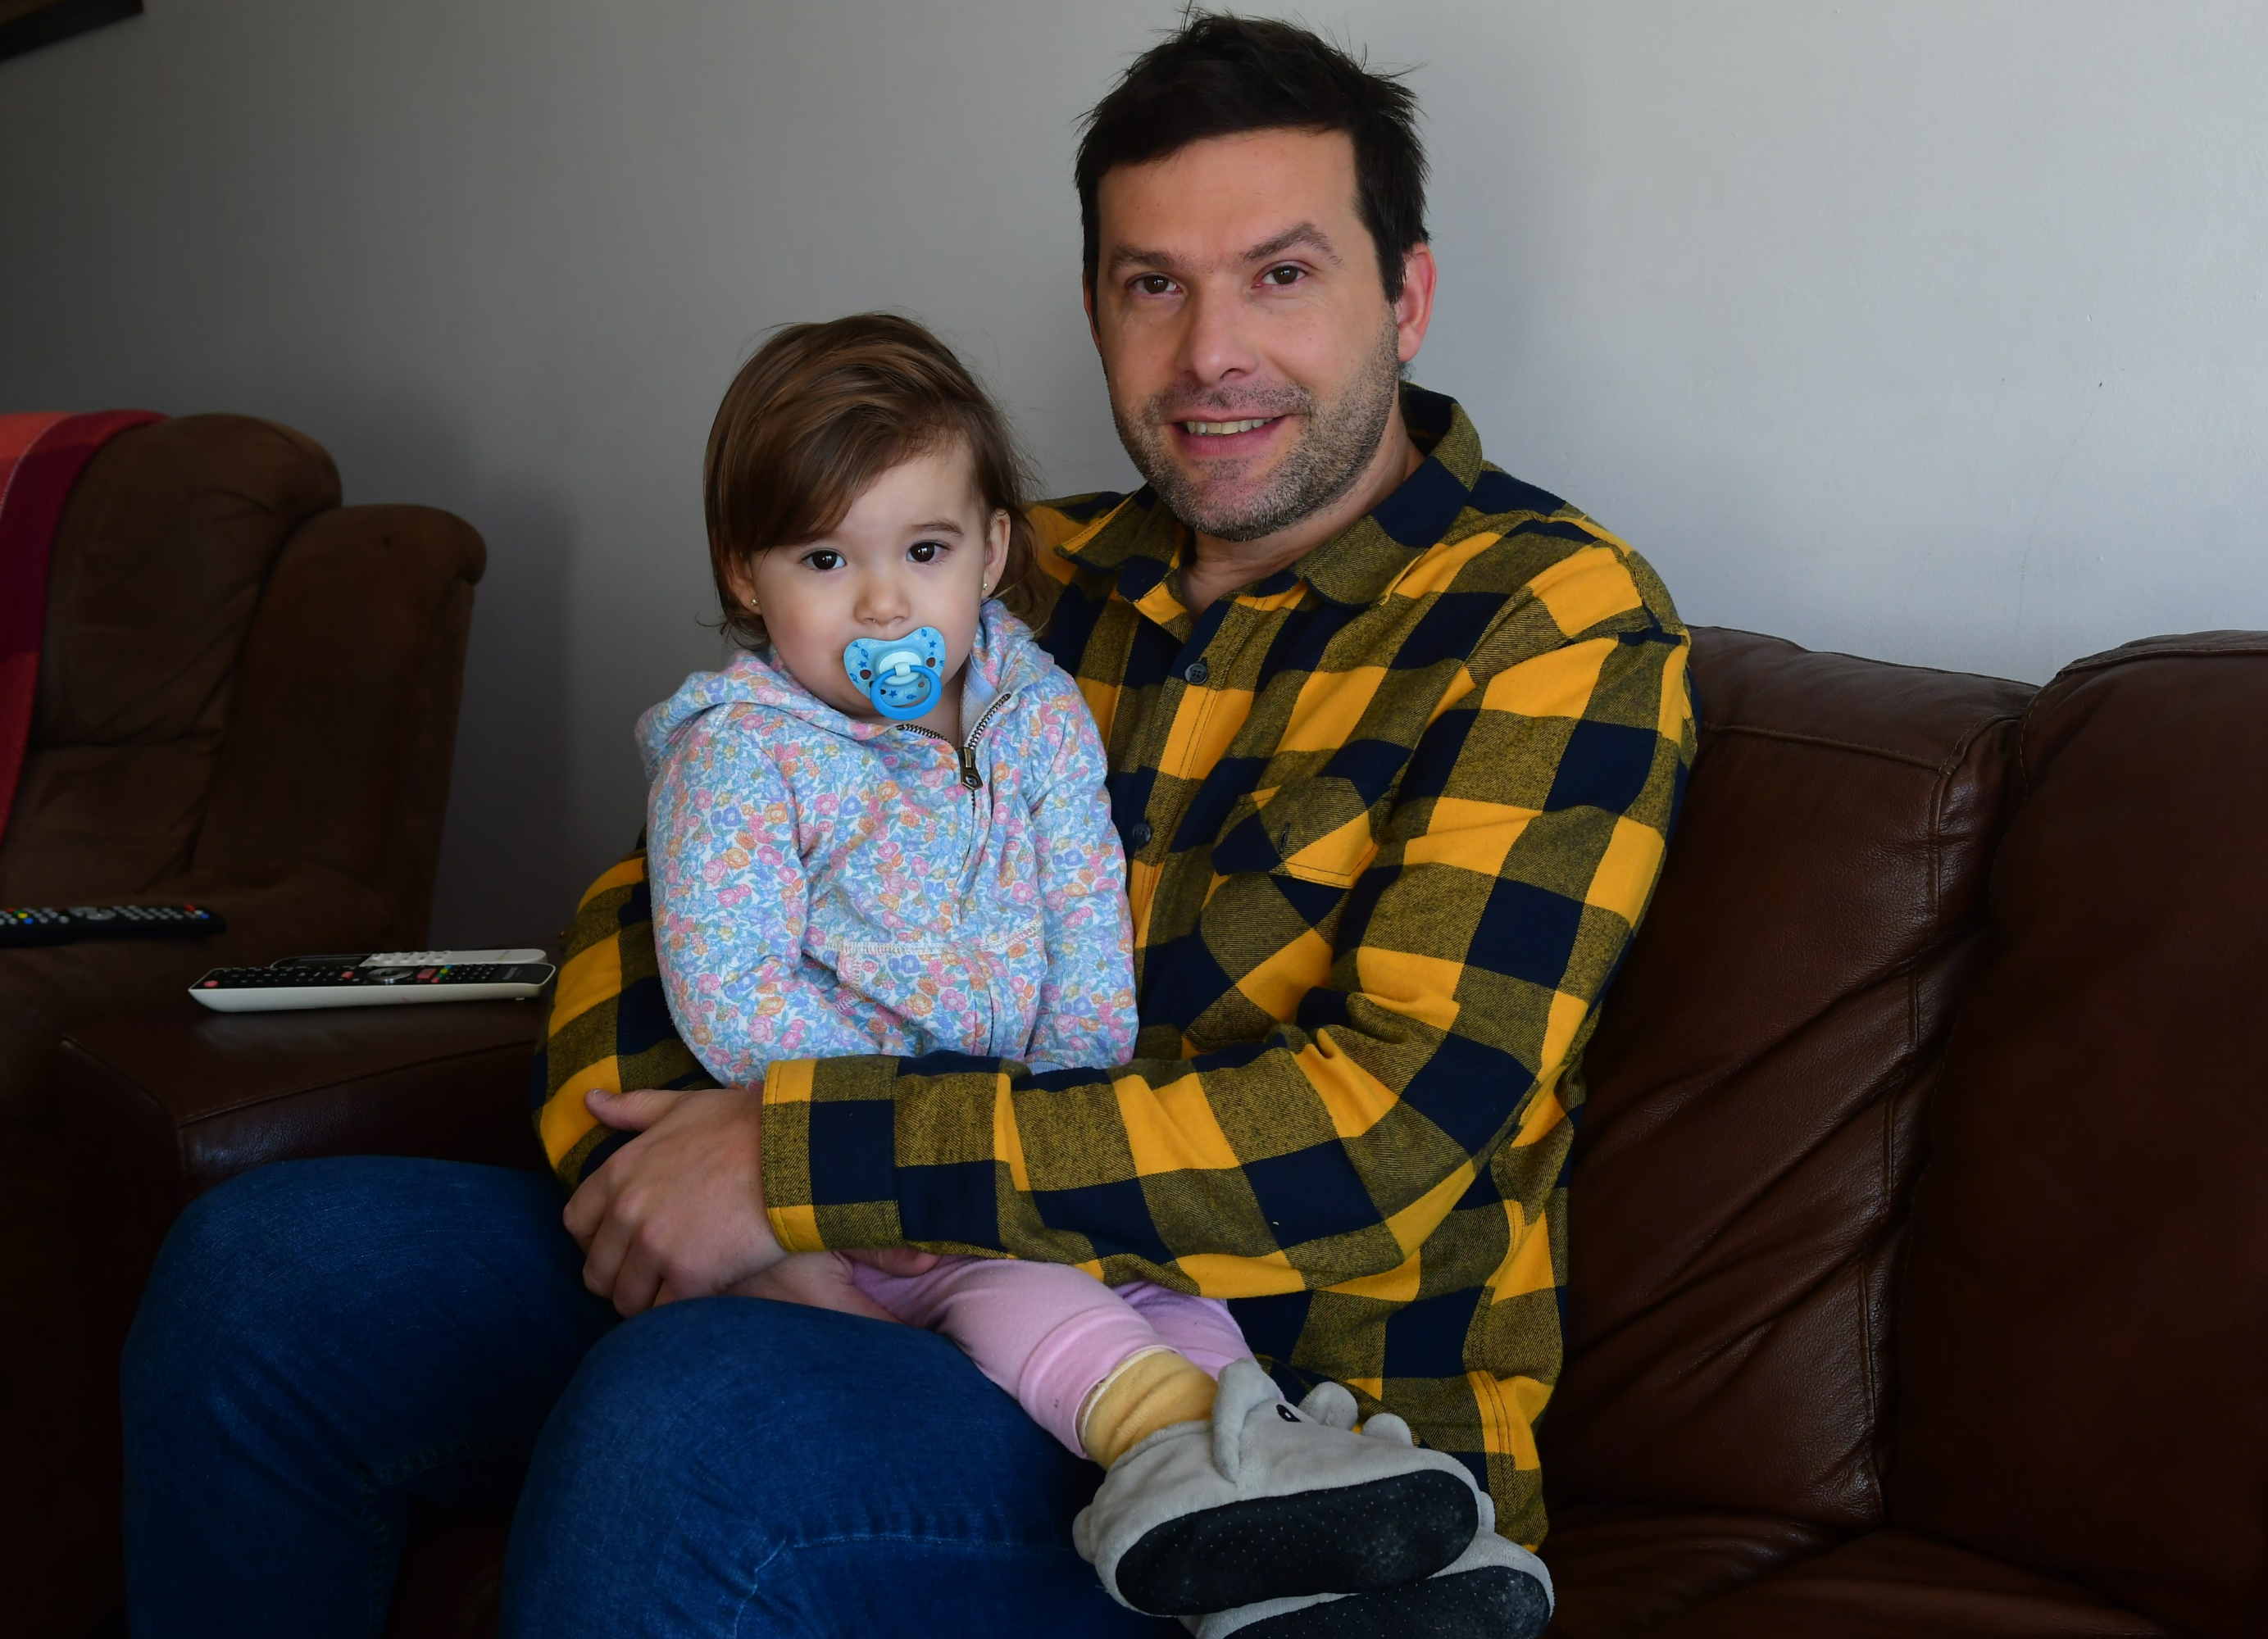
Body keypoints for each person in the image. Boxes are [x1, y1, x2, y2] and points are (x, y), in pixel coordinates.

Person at [120, 15, 1691, 1637]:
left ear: (1406, 297)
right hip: (885, 1287)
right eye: (1153, 284)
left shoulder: (1547, 622)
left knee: (696, 1429)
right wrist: (690, 1182)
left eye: (1281, 275)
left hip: (1275, 1413)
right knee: (261, 1278)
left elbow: (1390, 1136)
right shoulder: (995, 572)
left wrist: (801, 1165)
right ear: (1096, 308)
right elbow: (654, 895)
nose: (1211, 349)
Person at [636, 311, 1502, 1630]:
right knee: (1022, 1288)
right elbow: (726, 993)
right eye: (824, 559)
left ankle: (1300, 1504)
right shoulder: (741, 755)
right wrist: (881, 1140)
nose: (883, 604)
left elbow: (1086, 917)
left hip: (1051, 1137)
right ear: (745, 578)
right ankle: (1165, 1449)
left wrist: (1065, 1108)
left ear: (992, 551)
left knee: (1168, 1283)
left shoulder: (1033, 709)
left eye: (924, 552)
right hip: (869, 1178)